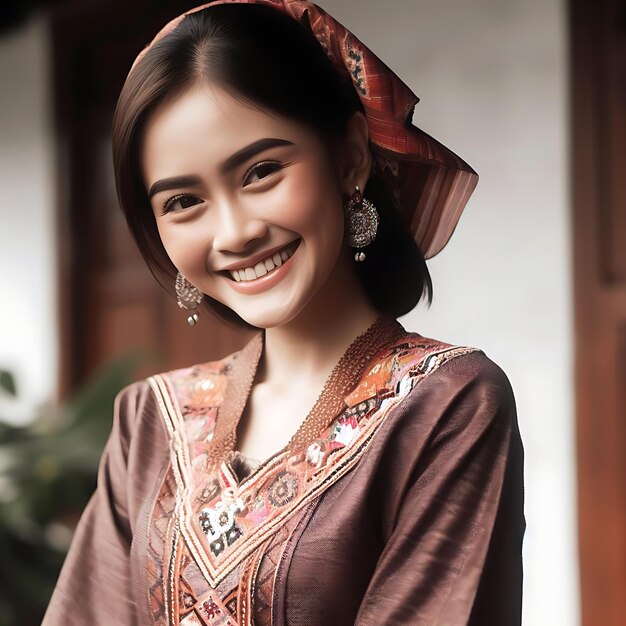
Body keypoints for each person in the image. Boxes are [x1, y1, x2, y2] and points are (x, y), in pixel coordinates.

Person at [43, 1, 525, 624]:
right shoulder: (149, 421)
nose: (235, 232)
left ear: (350, 157)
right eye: (184, 201)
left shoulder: (446, 405)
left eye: (262, 171)